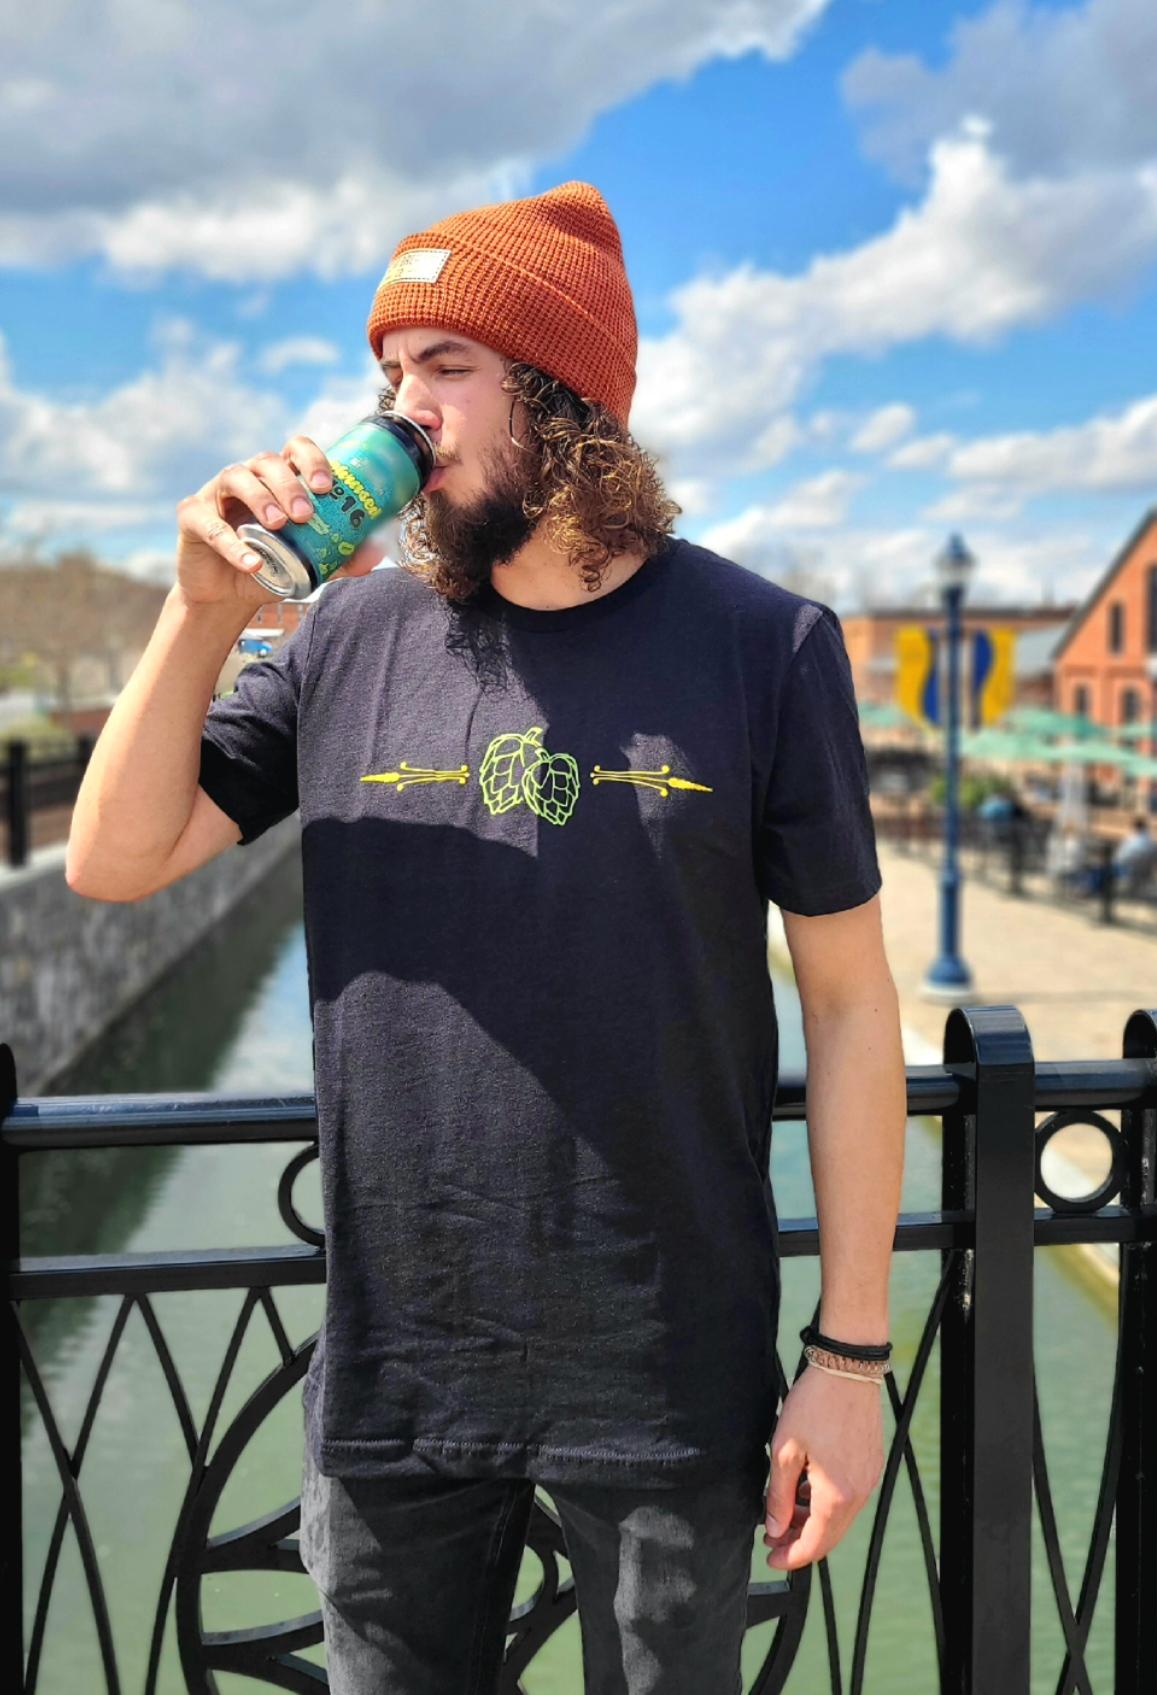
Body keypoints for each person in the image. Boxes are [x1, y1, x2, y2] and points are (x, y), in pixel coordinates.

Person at [65, 181, 906, 1694]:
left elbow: (848, 1007)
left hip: (664, 1370)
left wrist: (847, 1361)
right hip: (397, 1369)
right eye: (390, 371)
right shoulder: (344, 635)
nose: (403, 407)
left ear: (565, 398)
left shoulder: (761, 645)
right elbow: (114, 860)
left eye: (445, 365)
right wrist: (197, 613)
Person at [1113, 814, 1157, 893]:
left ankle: (1131, 884)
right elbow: (1155, 852)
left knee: (1118, 862)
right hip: (1143, 867)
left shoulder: (1130, 838)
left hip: (1130, 866)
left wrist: (1116, 860)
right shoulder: (1150, 839)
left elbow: (1120, 855)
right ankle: (1136, 884)